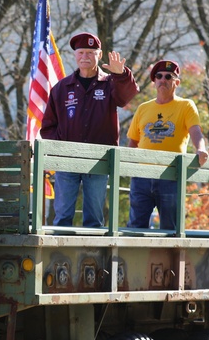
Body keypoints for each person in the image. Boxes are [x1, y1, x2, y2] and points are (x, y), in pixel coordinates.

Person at [40, 32, 139, 227]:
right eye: (81, 52)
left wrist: (121, 75)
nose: (85, 56)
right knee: (62, 216)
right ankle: (62, 255)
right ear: (75, 56)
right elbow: (48, 126)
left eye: (90, 52)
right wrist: (59, 151)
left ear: (99, 54)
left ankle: (92, 257)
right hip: (67, 160)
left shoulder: (111, 83)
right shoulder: (62, 88)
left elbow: (125, 98)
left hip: (99, 160)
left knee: (94, 217)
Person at [126, 60, 209, 230]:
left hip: (170, 175)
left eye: (168, 76)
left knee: (171, 228)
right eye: (159, 76)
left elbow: (195, 131)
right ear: (154, 81)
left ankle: (170, 258)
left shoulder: (186, 105)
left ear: (176, 82)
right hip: (142, 176)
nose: (163, 79)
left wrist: (201, 148)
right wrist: (130, 167)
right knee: (135, 227)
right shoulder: (143, 108)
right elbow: (132, 142)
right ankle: (136, 257)